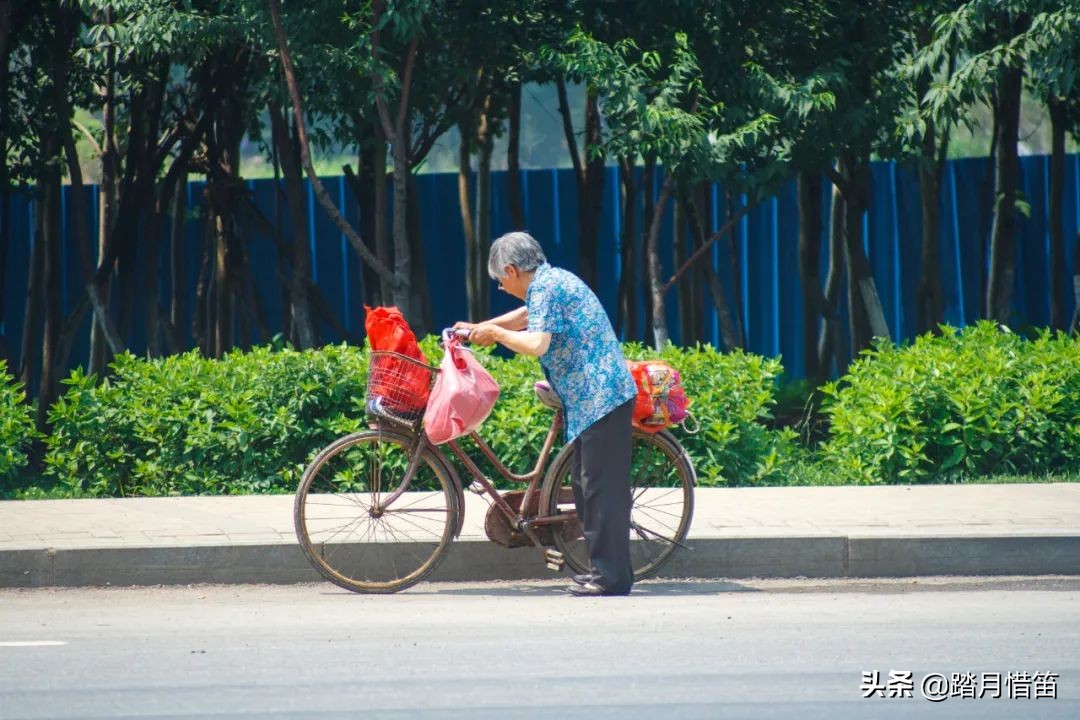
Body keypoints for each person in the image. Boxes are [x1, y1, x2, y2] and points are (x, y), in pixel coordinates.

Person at [454, 232, 638, 597]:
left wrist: (495, 333)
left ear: (511, 270)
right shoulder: (549, 283)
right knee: (586, 489)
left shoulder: (546, 287)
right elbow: (525, 317)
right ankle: (604, 571)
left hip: (602, 397)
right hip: (591, 400)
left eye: (500, 281)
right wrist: (479, 328)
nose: (503, 288)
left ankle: (612, 578)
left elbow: (537, 342)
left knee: (600, 492)